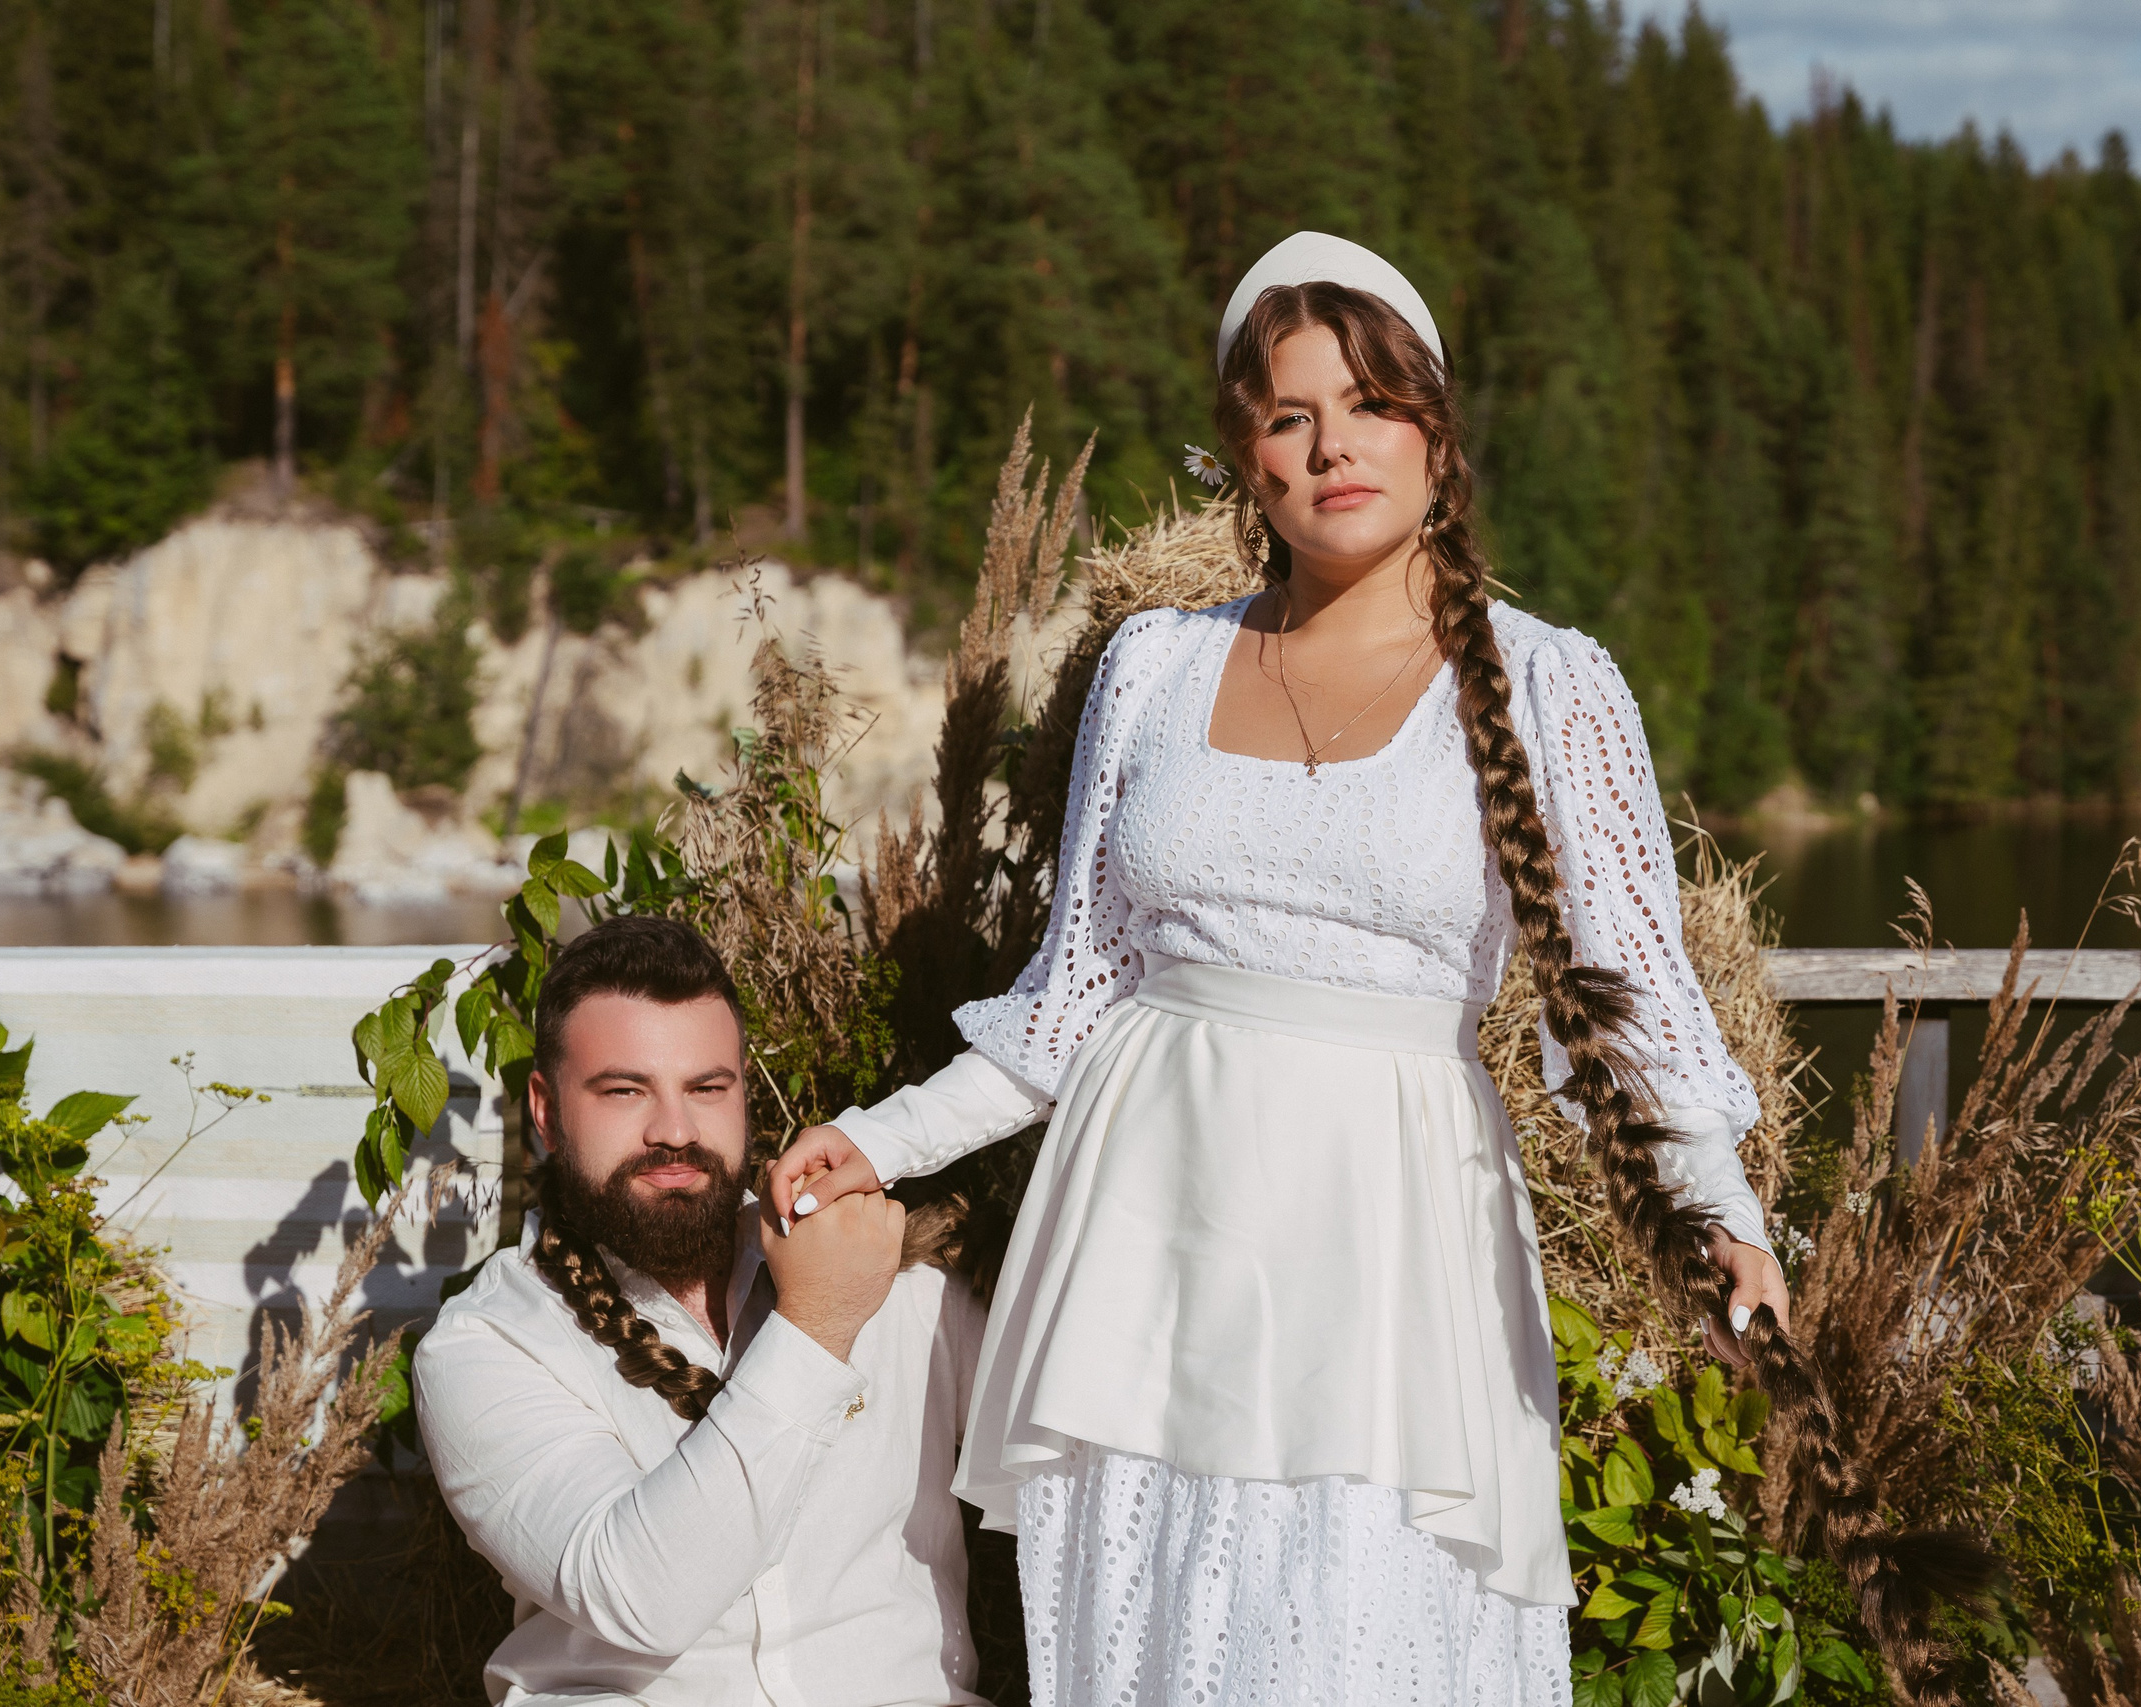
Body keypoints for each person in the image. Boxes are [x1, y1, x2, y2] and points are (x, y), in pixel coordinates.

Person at [768, 232, 1789, 1706]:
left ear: (1437, 432)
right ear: (1245, 455)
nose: (1333, 447)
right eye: (1290, 416)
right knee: (1150, 1631)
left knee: (1359, 1628)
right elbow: (1071, 1001)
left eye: (1371, 403)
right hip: (1143, 1231)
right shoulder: (1154, 668)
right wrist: (879, 1137)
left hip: (1388, 1247)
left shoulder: (1553, 682)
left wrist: (1724, 1225)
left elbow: (1631, 1011)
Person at [414, 914, 991, 1707]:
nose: (675, 1130)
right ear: (546, 1110)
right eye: (625, 1090)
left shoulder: (894, 1271)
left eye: (706, 1088)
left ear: (742, 1092)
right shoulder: (490, 1343)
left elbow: (1084, 1450)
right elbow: (640, 1595)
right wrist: (818, 1325)